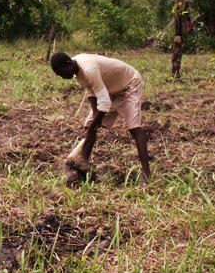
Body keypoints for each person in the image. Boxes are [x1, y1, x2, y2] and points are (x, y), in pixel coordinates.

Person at [49, 52, 151, 183]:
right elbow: (91, 90)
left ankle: (146, 173)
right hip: (109, 91)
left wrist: (92, 128)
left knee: (134, 128)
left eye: (62, 73)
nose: (63, 77)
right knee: (89, 123)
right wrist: (93, 121)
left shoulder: (89, 68)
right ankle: (83, 165)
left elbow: (104, 103)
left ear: (68, 64)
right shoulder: (76, 70)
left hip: (129, 85)